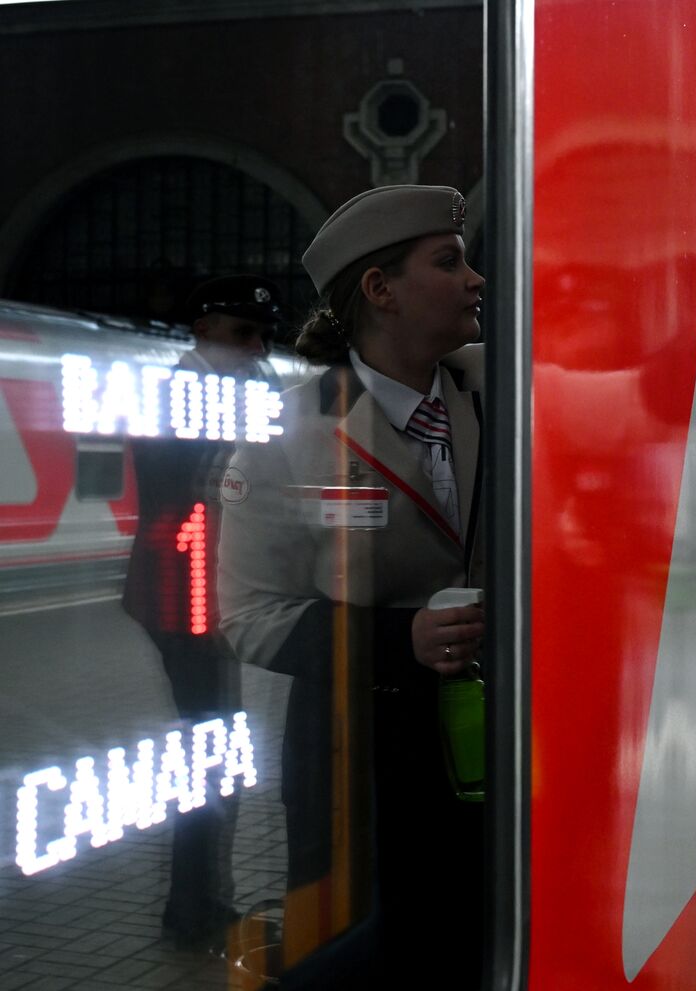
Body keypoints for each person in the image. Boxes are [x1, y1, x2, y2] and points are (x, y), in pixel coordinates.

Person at [217, 185, 487, 982]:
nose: (475, 279)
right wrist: (397, 638)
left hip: (499, 733)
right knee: (380, 944)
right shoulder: (289, 437)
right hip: (360, 749)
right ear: (380, 290)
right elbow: (248, 613)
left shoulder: (497, 390)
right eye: (449, 262)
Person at [122, 275, 283, 952]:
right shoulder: (182, 400)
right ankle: (194, 906)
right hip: (186, 595)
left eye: (262, 335)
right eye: (244, 333)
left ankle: (200, 898)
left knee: (212, 747)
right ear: (205, 327)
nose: (256, 348)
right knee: (210, 751)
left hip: (193, 591)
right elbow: (197, 497)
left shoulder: (216, 397)